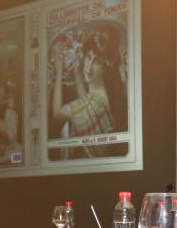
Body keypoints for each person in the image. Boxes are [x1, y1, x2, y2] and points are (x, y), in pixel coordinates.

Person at [50, 27, 123, 156]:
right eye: (88, 57)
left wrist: (60, 71)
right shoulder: (98, 99)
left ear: (105, 67)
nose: (88, 65)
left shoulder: (95, 103)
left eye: (96, 61)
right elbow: (85, 102)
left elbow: (57, 114)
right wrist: (77, 74)